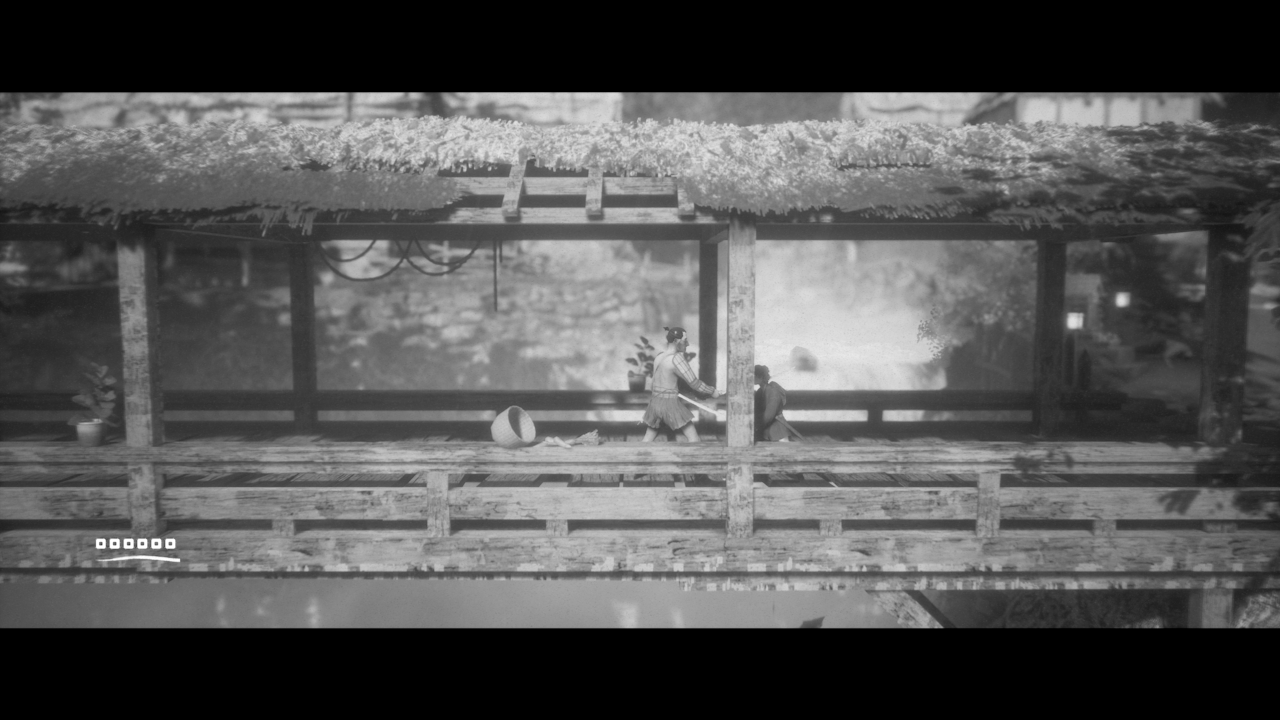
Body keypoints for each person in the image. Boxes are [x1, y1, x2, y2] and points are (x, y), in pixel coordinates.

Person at [642, 327, 721, 442]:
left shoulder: (659, 357)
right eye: (685, 340)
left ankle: (639, 454)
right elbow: (695, 384)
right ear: (676, 341)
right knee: (694, 439)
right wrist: (713, 392)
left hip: (655, 403)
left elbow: (652, 386)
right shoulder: (677, 359)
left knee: (647, 440)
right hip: (670, 404)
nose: (687, 344)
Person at [755, 364, 800, 442]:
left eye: (754, 376)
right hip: (766, 432)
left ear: (760, 377)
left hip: (778, 432)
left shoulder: (773, 391)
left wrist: (756, 426)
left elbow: (769, 415)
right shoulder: (760, 391)